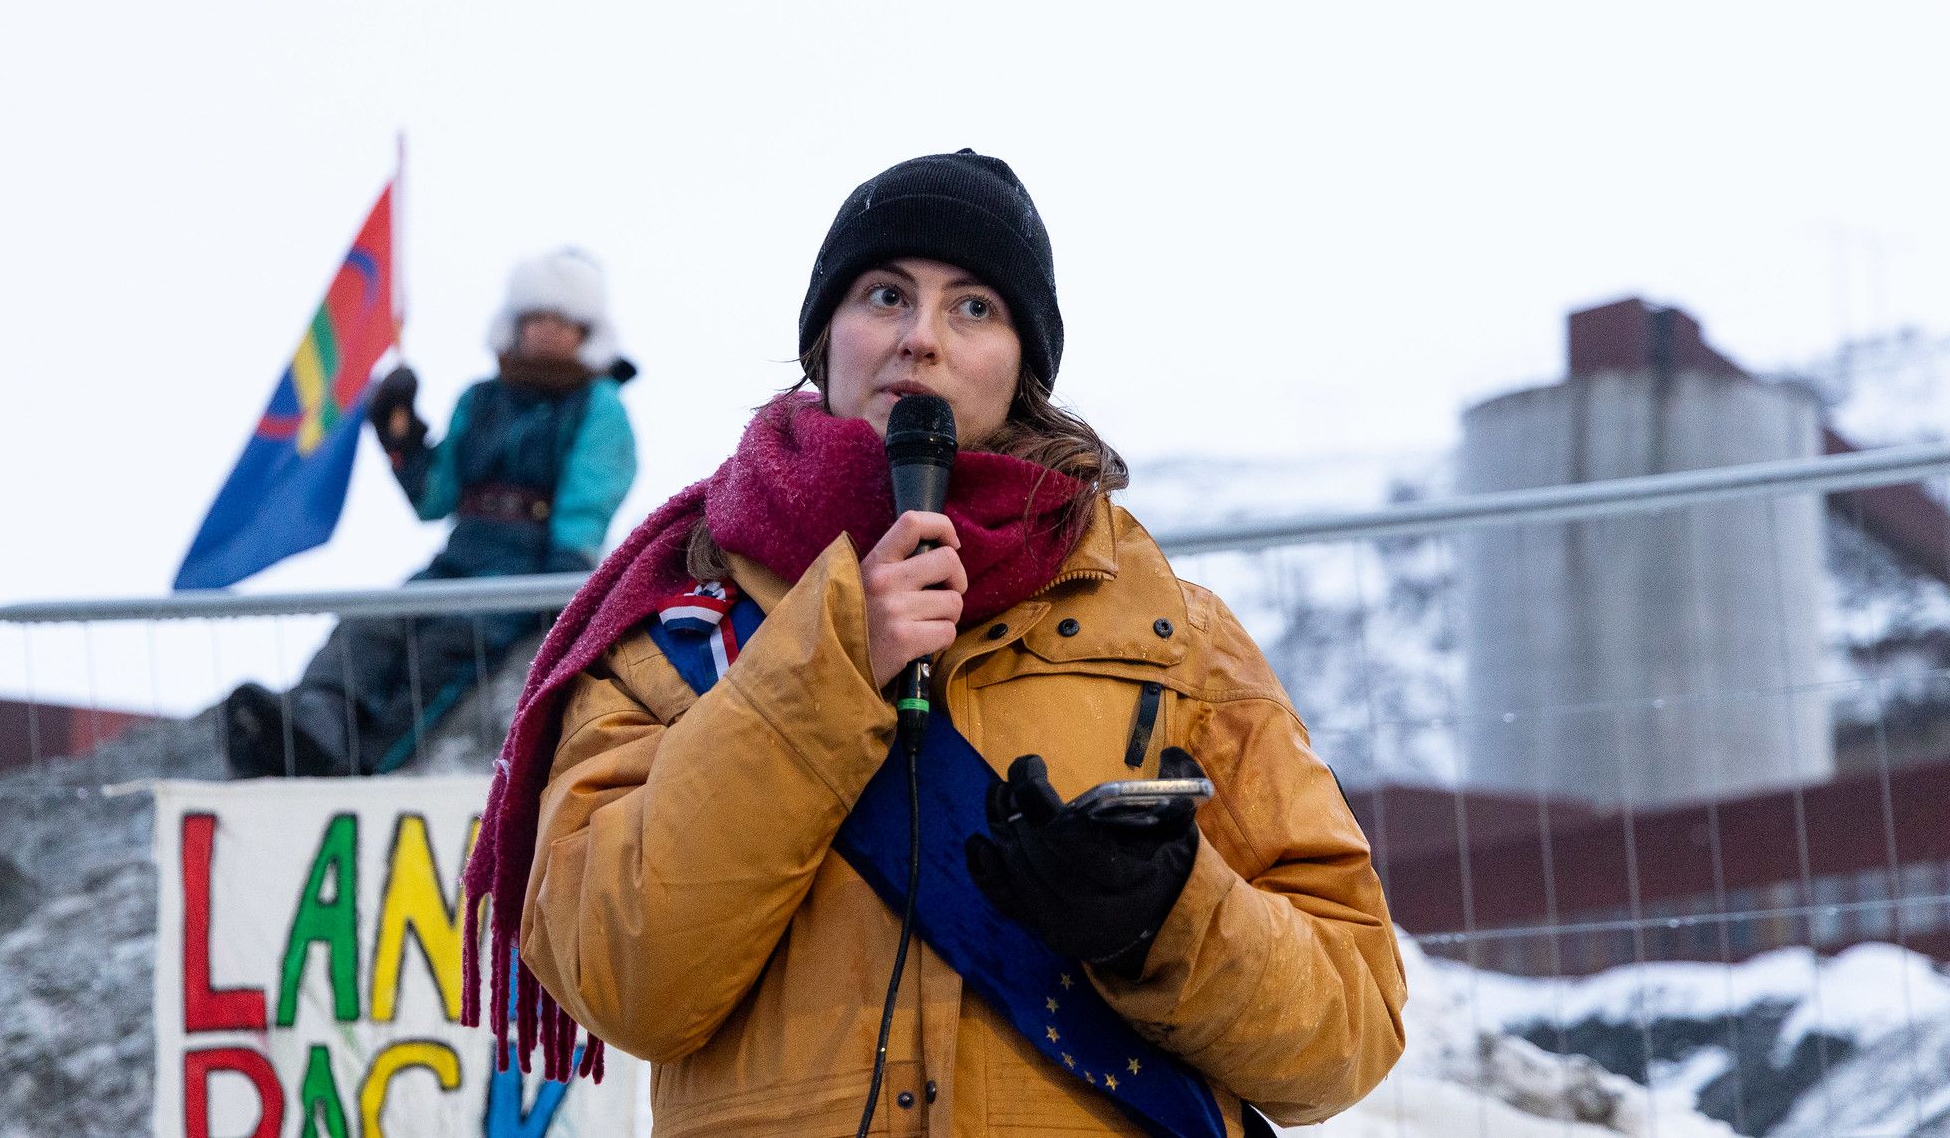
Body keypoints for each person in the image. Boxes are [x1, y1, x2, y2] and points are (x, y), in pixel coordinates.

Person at [459, 152, 1406, 1136]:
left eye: (973, 308)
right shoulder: (674, 629)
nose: (919, 338)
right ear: (824, 336)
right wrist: (826, 665)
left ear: (1021, 362)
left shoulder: (1171, 635)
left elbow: (1345, 1037)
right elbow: (625, 979)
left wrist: (1164, 919)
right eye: (883, 295)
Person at [223, 247, 639, 778]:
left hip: (530, 566)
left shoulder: (598, 408)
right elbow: (434, 497)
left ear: (586, 333)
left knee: (446, 647)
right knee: (372, 625)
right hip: (461, 555)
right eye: (533, 318)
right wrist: (400, 429)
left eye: (560, 321)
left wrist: (560, 586)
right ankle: (313, 722)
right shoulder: (482, 398)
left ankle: (359, 761)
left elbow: (588, 499)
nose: (544, 331)